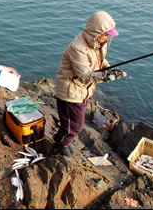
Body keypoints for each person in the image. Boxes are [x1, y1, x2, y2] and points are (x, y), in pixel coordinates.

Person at [53, 11, 127, 156]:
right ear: (96, 32)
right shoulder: (78, 48)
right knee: (74, 125)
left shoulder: (99, 43)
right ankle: (59, 143)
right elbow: (85, 76)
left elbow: (99, 62)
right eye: (106, 34)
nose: (108, 37)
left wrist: (109, 69)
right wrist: (106, 77)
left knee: (73, 122)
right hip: (70, 92)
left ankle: (64, 141)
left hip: (82, 92)